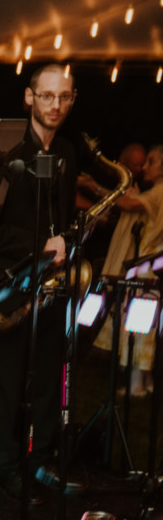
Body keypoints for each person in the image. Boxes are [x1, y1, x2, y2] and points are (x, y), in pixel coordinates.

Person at [0, 63, 78, 504]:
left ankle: (41, 460)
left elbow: (59, 221)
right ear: (29, 97)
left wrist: (65, 243)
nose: (55, 104)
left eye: (64, 96)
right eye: (47, 95)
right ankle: (6, 469)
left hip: (50, 283)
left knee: (51, 374)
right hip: (8, 285)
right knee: (6, 381)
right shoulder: (4, 152)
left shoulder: (66, 151)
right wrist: (40, 246)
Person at [91, 145, 163, 396]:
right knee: (144, 327)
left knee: (141, 329)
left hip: (148, 270)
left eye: (151, 162)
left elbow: (129, 205)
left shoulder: (160, 191)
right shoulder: (156, 191)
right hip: (149, 269)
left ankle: (137, 385)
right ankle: (145, 380)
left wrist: (93, 187)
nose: (145, 167)